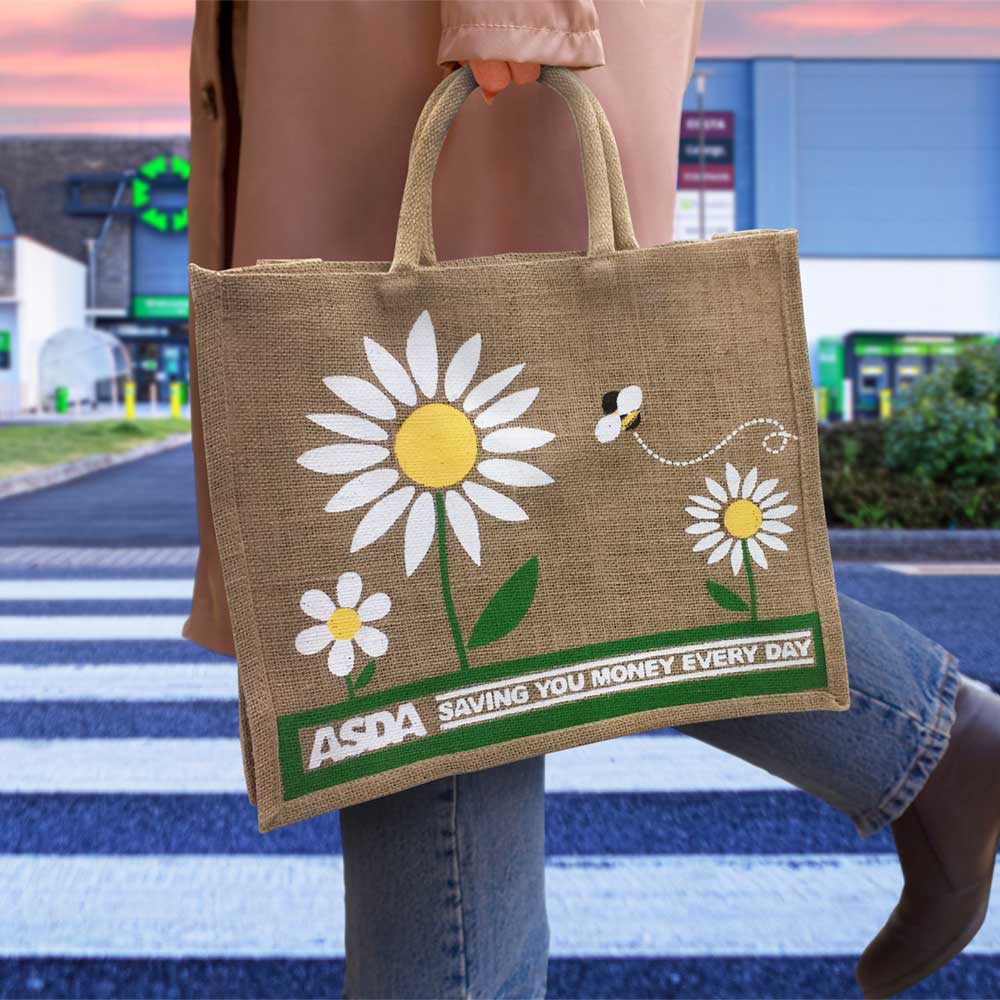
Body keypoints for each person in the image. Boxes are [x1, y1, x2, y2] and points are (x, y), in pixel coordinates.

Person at [186, 4, 1000, 997]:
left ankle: (925, 735)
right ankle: (933, 741)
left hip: (464, 50)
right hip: (390, 45)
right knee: (437, 570)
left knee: (432, 561)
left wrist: (518, 14)